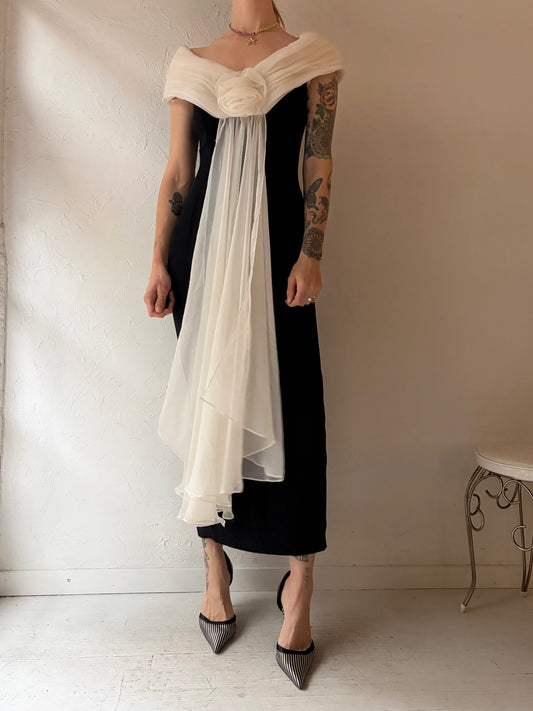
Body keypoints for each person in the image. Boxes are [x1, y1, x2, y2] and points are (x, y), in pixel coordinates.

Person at [144, 0, 343, 689]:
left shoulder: (312, 58)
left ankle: (300, 582)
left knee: (297, 408)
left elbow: (317, 157)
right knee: (211, 408)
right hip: (201, 261)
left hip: (280, 255)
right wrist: (158, 260)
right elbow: (178, 173)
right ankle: (214, 567)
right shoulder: (189, 64)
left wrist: (312, 251)